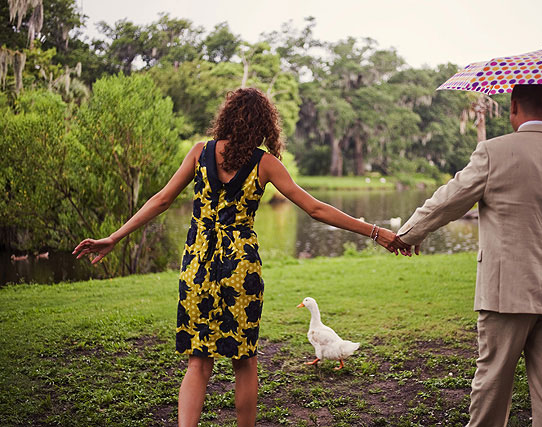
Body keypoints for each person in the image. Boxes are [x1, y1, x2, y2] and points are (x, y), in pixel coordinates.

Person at [73, 87, 398, 427]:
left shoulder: (200, 152)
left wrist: (113, 237)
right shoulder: (265, 164)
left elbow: (162, 200)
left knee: (198, 361)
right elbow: (315, 209)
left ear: (226, 117)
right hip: (240, 269)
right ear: (265, 125)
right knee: (244, 360)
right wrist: (376, 232)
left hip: (197, 265)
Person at [390, 84, 542, 426]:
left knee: (492, 388)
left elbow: (449, 200)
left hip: (507, 292)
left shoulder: (493, 152)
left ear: (514, 107)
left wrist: (407, 234)